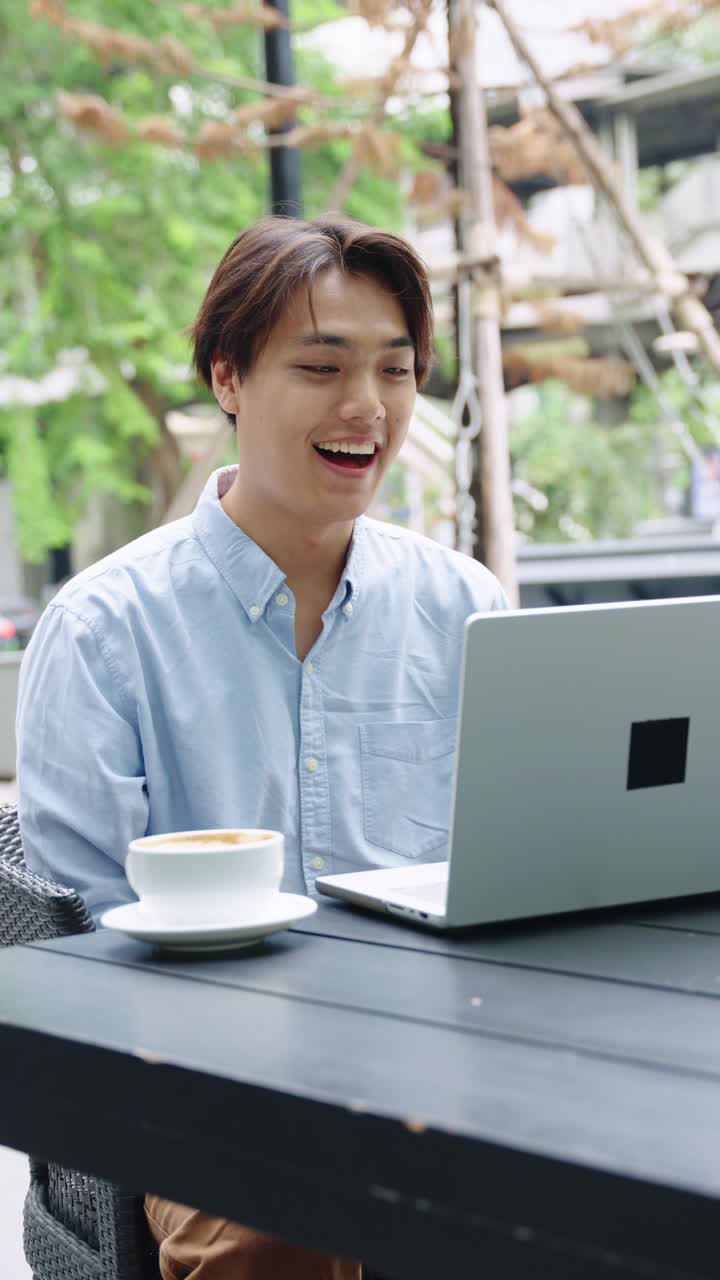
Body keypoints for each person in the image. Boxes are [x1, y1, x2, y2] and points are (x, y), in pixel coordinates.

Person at [16, 215, 508, 1279]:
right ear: (228, 377)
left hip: (448, 1065)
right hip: (209, 1085)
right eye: (322, 365)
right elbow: (68, 953)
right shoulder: (107, 629)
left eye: (396, 369)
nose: (366, 406)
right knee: (284, 1233)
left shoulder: (467, 609)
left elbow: (522, 873)